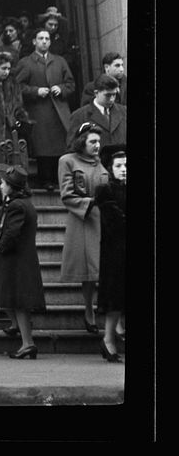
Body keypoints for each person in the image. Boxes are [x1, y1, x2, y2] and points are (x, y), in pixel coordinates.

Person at [0, 163, 46, 359]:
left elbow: (12, 233)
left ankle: (27, 344)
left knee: (18, 301)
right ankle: (17, 328)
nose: (0, 186)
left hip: (16, 261)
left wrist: (0, 249)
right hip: (21, 259)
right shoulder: (24, 203)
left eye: (3, 183)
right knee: (5, 295)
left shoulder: (17, 206)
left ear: (11, 186)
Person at [58, 124, 109, 335]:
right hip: (84, 220)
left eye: (99, 142)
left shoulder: (101, 164)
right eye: (93, 142)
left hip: (105, 220)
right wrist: (91, 203)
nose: (97, 146)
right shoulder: (67, 161)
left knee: (106, 269)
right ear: (82, 142)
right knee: (88, 271)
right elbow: (67, 194)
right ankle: (89, 310)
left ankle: (108, 311)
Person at [14, 29, 75, 191]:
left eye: (47, 39)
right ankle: (45, 179)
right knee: (43, 147)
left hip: (58, 110)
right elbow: (16, 87)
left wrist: (61, 88)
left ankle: (59, 179)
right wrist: (35, 91)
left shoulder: (60, 61)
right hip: (38, 111)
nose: (44, 41)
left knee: (60, 146)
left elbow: (71, 85)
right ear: (34, 41)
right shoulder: (26, 62)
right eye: (40, 38)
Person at [93, 144, 126, 361]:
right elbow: (114, 222)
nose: (124, 169)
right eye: (119, 165)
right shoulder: (105, 191)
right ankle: (108, 340)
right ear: (110, 168)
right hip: (115, 252)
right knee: (115, 298)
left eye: (126, 165)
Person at [66, 73, 126, 149]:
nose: (111, 99)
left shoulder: (124, 111)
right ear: (96, 93)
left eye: (114, 95)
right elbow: (72, 147)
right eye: (107, 95)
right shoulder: (80, 116)